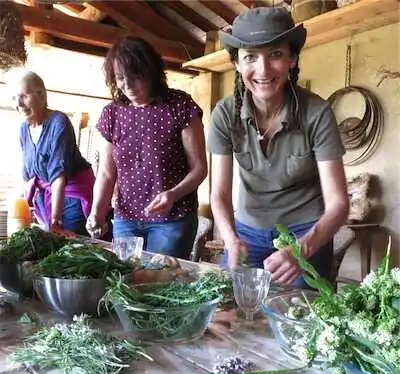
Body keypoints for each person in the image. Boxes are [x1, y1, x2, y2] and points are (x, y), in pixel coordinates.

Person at [208, 7, 349, 288]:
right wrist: (231, 239)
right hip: (247, 232)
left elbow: (339, 204)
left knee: (299, 316)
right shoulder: (225, 114)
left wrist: (301, 250)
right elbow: (219, 193)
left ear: (292, 59)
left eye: (275, 54)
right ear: (236, 63)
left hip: (306, 234)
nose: (263, 70)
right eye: (250, 57)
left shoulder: (316, 113)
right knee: (230, 312)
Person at [86, 36, 207, 259]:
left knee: (161, 286)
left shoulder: (180, 105)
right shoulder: (112, 113)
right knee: (127, 284)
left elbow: (199, 168)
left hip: (172, 220)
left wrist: (172, 194)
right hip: (126, 219)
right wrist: (96, 212)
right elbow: (105, 173)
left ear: (151, 72)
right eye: (121, 78)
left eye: (135, 77)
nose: (128, 85)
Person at [14, 71, 95, 235]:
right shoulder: (24, 129)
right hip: (45, 198)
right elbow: (28, 176)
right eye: (15, 98)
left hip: (70, 197)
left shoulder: (59, 122)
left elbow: (58, 175)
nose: (19, 104)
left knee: (70, 250)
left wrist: (55, 220)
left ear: (41, 96)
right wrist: (26, 207)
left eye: (23, 96)